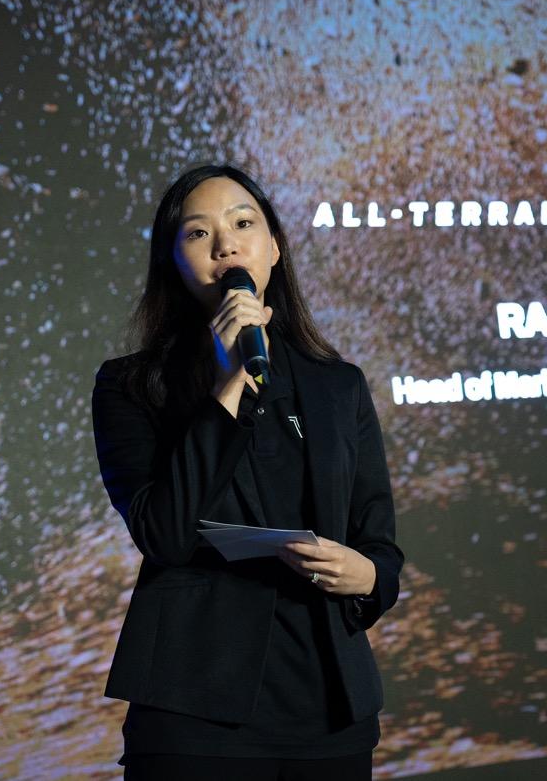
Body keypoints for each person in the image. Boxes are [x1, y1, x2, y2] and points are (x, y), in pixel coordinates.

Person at [91, 164, 404, 780]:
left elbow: (379, 544)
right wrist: (229, 384)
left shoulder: (338, 386)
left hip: (330, 713)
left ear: (274, 248)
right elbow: (163, 533)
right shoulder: (132, 386)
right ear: (172, 262)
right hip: (195, 714)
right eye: (198, 233)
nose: (226, 246)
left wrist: (368, 576)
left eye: (242, 224)